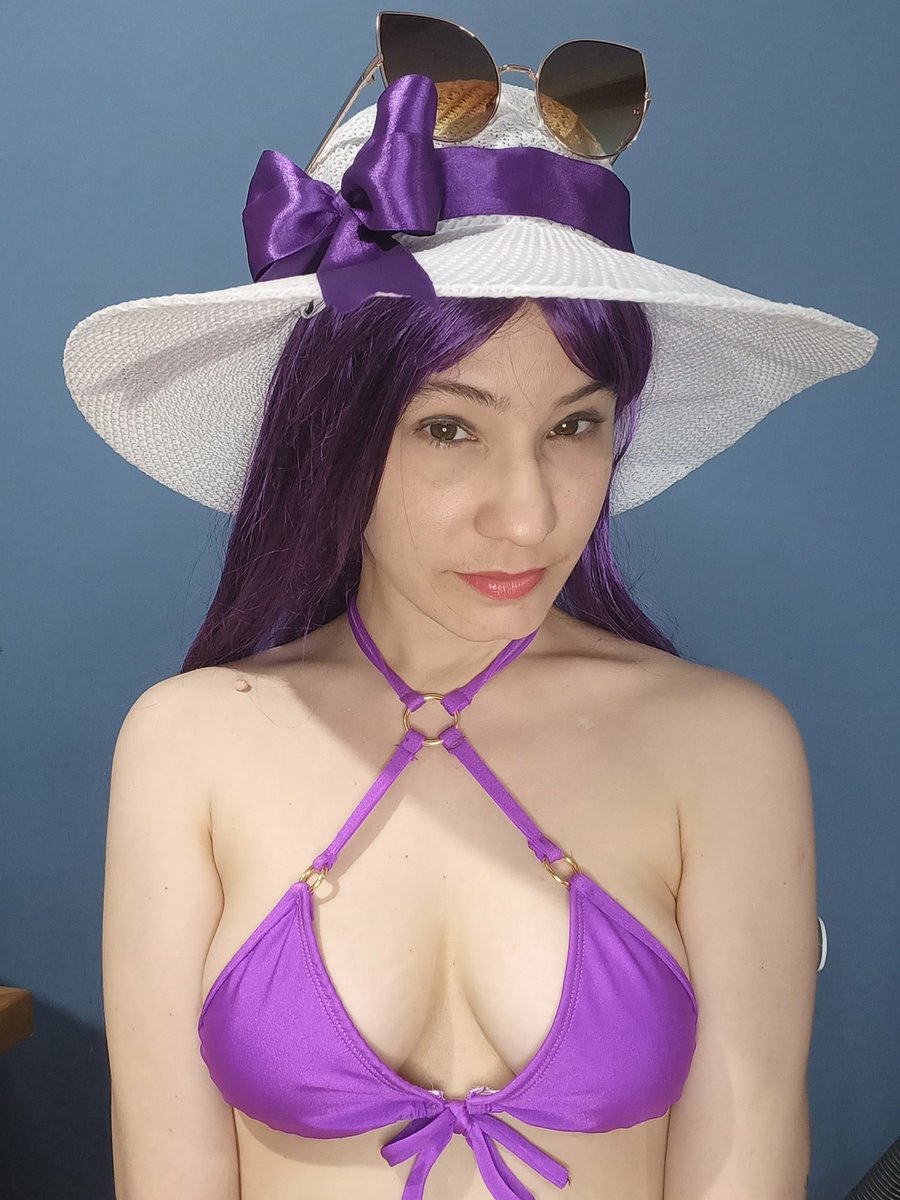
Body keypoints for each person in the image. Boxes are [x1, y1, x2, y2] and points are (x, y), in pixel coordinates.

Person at [63, 46, 876, 1200]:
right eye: (449, 428)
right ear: (335, 435)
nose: (530, 514)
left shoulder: (725, 748)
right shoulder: (187, 745)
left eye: (575, 426)